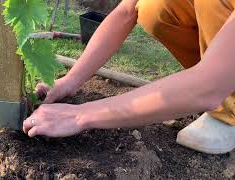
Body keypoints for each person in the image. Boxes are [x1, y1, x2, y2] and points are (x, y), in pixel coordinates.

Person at [23, 0, 235, 154]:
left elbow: (209, 86)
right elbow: (126, 11)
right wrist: (71, 80)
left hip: (213, 82)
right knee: (154, 6)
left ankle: (229, 110)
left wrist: (79, 115)